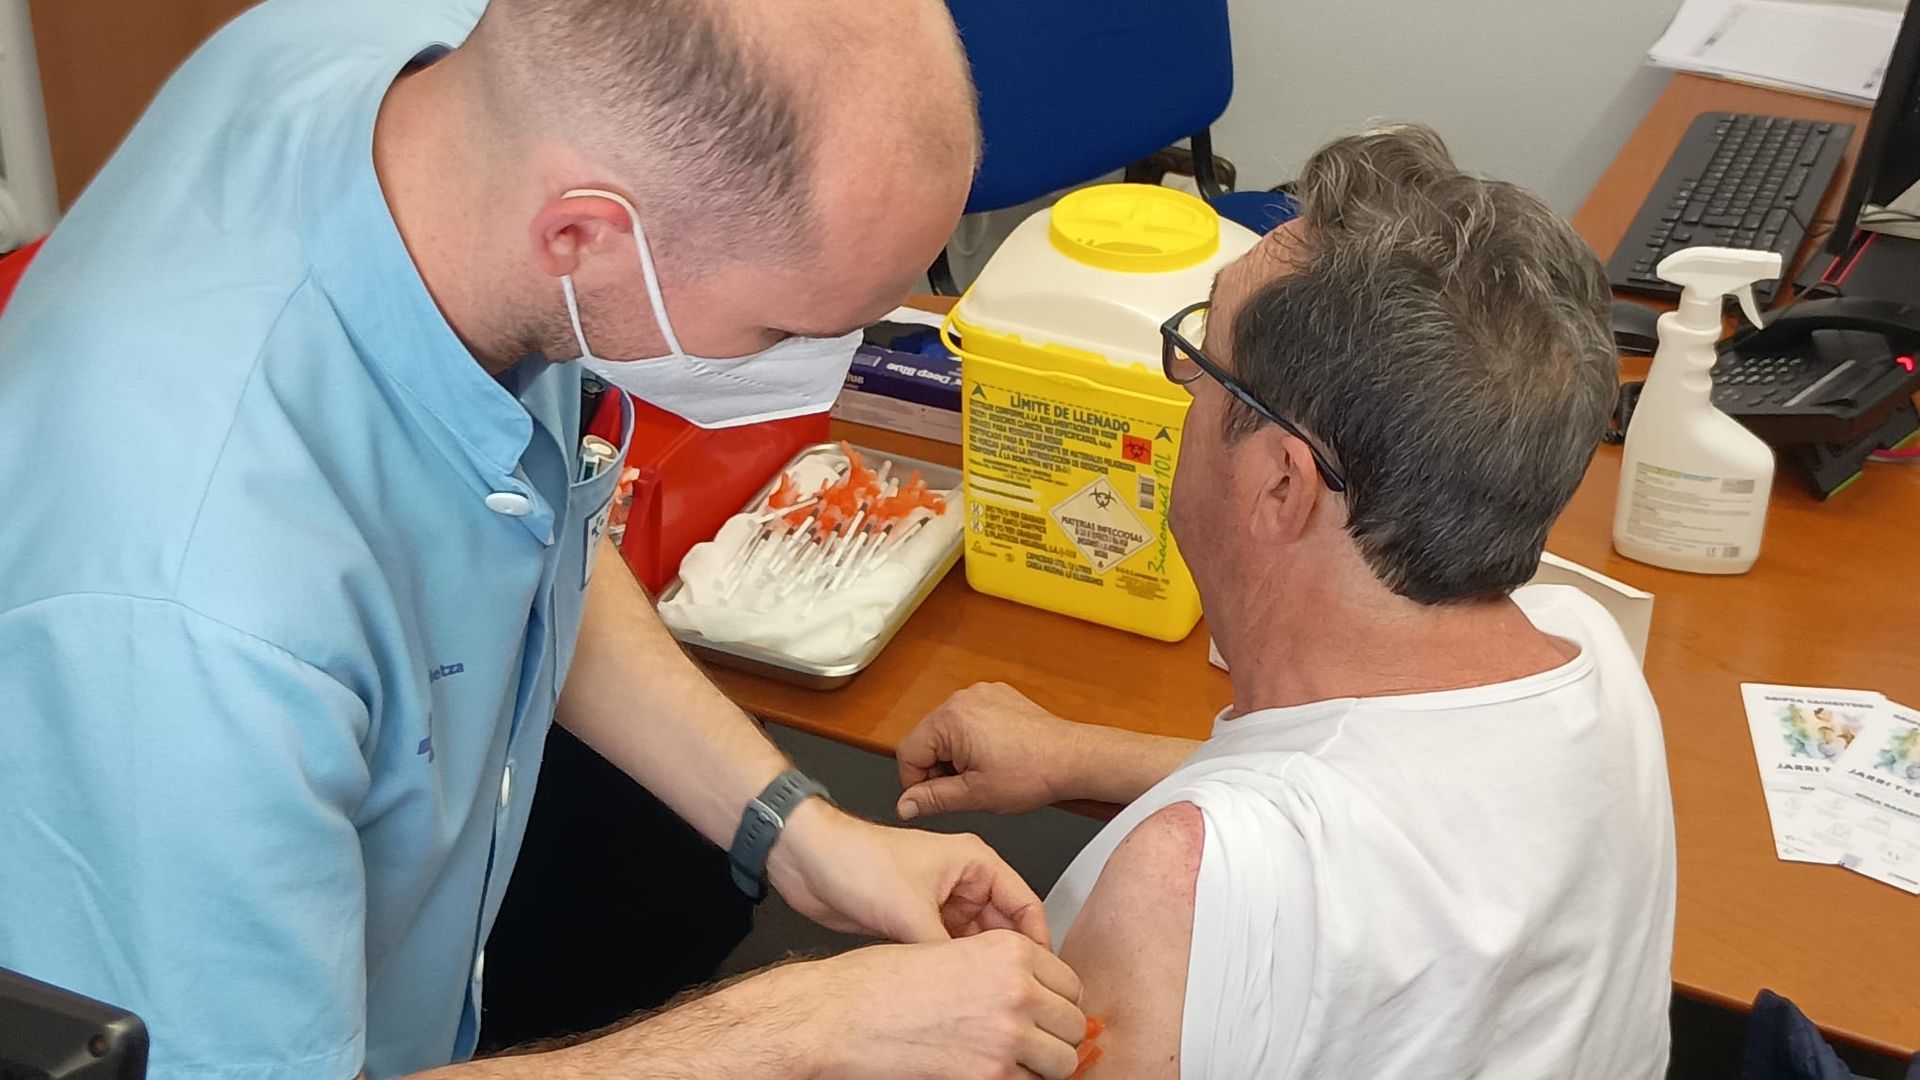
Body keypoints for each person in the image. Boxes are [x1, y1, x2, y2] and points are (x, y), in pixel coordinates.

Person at [0, 0, 1088, 1077]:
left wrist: (794, 827)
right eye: (783, 330)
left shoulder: (467, 86)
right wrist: (807, 1031)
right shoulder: (195, 624)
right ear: (578, 235)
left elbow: (525, 518)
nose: (814, 373)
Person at [896, 126, 1678, 1078]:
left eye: (1200, 351)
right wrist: (1077, 755)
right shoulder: (1586, 650)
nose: (1183, 379)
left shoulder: (1183, 894)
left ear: (1280, 483)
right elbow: (1402, 800)